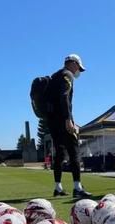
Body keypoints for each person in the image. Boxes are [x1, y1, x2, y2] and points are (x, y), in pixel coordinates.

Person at [47, 54, 91, 198]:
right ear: (73, 63)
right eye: (78, 67)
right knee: (74, 151)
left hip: (52, 121)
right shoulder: (67, 75)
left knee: (59, 153)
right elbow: (64, 96)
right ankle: (77, 187)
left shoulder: (54, 76)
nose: (78, 70)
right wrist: (68, 119)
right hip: (62, 119)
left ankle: (57, 187)